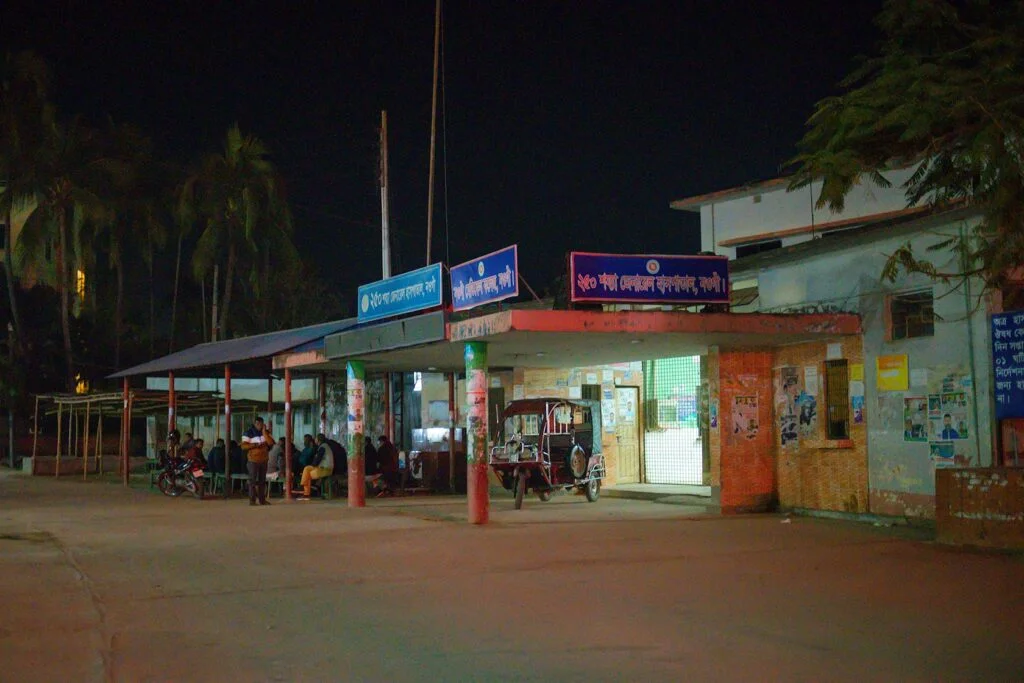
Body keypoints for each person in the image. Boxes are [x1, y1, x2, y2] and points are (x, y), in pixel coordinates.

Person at [241, 416, 274, 506]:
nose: (259, 425)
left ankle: (262, 500)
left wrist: (264, 432)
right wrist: (255, 445)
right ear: (254, 424)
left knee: (262, 481)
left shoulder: (266, 433)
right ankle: (252, 500)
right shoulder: (248, 433)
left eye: (261, 424)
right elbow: (244, 446)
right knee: (252, 481)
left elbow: (271, 443)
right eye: (257, 424)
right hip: (253, 460)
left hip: (264, 460)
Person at [298, 433, 335, 500]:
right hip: (324, 468)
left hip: (325, 469)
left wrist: (312, 465)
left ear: (318, 440)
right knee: (307, 472)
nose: (314, 440)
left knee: (306, 471)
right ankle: (306, 492)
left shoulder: (323, 447)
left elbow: (317, 459)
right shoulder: (324, 446)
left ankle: (304, 489)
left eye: (316, 438)